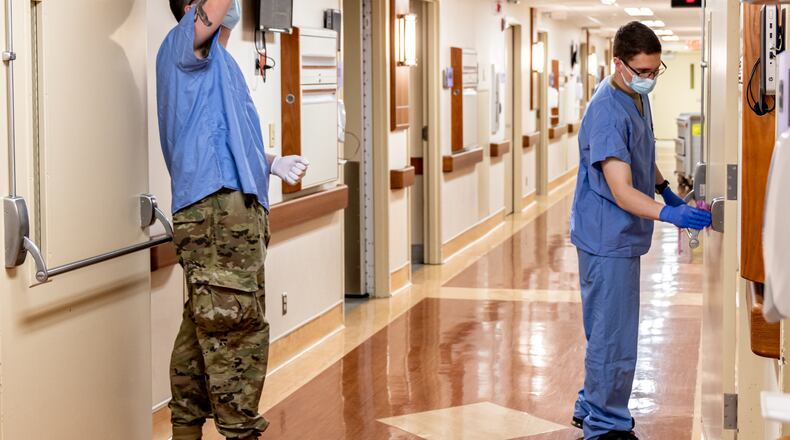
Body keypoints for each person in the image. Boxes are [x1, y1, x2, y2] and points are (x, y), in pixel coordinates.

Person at [157, 1, 310, 439]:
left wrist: (271, 161)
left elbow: (219, 142)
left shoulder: (220, 65)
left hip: (224, 218)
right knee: (235, 340)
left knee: (202, 338)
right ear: (193, 8)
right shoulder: (184, 46)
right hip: (217, 220)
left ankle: (188, 427)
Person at [569, 22, 712, 440]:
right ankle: (605, 425)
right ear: (619, 63)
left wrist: (667, 190)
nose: (649, 78)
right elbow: (621, 190)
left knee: (607, 328)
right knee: (612, 335)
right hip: (605, 237)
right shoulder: (608, 111)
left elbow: (641, 153)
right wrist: (671, 217)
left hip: (617, 236)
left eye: (655, 70)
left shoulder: (633, 96)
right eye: (642, 71)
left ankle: (589, 406)